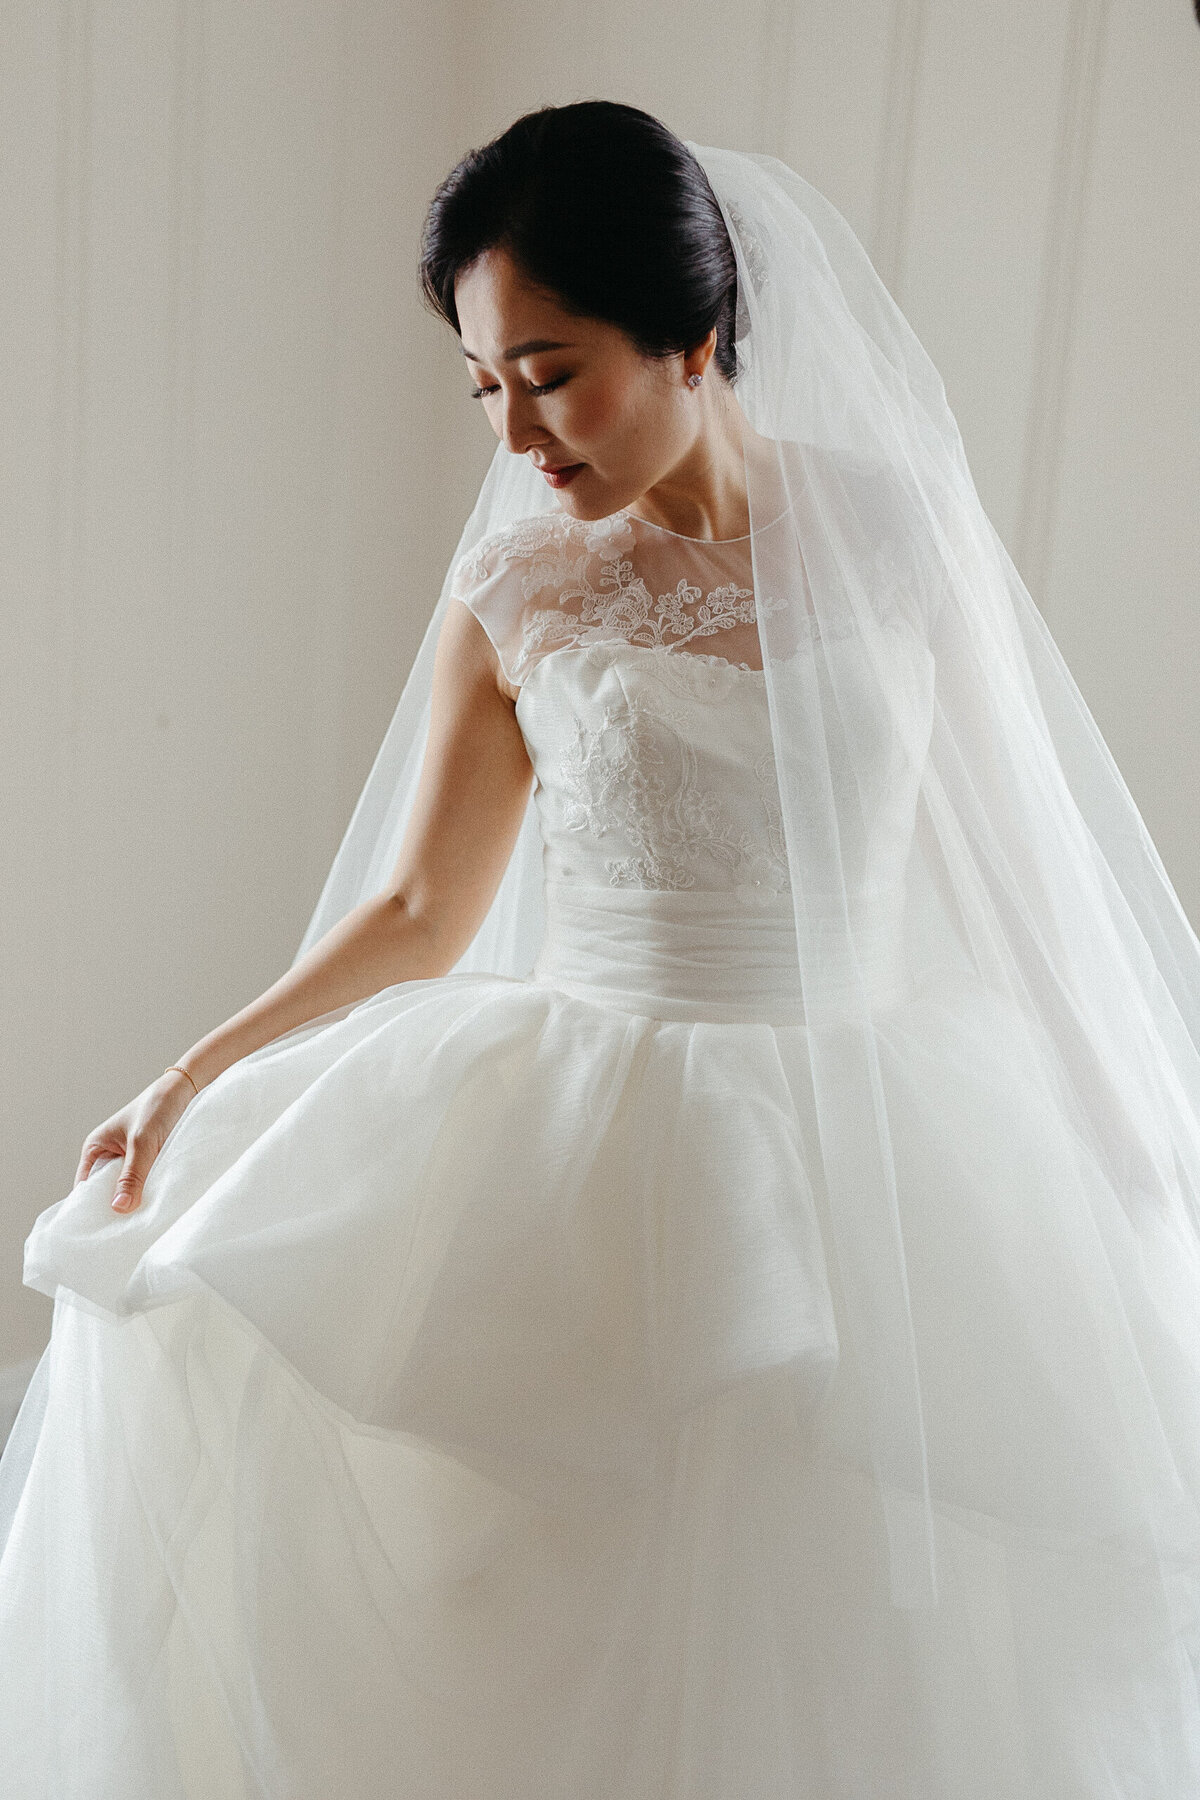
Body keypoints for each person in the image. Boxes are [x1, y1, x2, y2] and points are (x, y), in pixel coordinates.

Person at [3, 98, 1200, 1797]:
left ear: (692, 333)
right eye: (487, 388)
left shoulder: (896, 535)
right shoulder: (525, 594)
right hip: (603, 1149)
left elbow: (1015, 861)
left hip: (879, 1150)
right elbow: (423, 911)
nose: (520, 433)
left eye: (550, 373)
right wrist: (190, 1077)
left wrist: (1121, 1126)